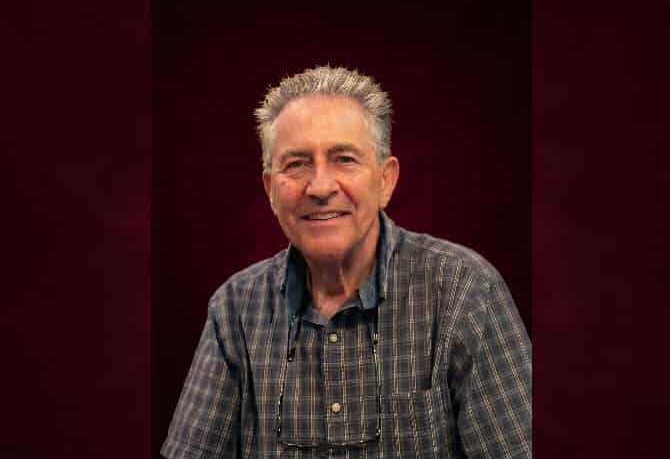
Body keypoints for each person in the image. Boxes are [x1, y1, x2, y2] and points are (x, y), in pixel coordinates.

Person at [161, 66, 532, 458]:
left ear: (385, 180)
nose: (321, 187)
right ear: (270, 190)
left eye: (344, 159)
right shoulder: (234, 309)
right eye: (297, 164)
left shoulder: (466, 292)